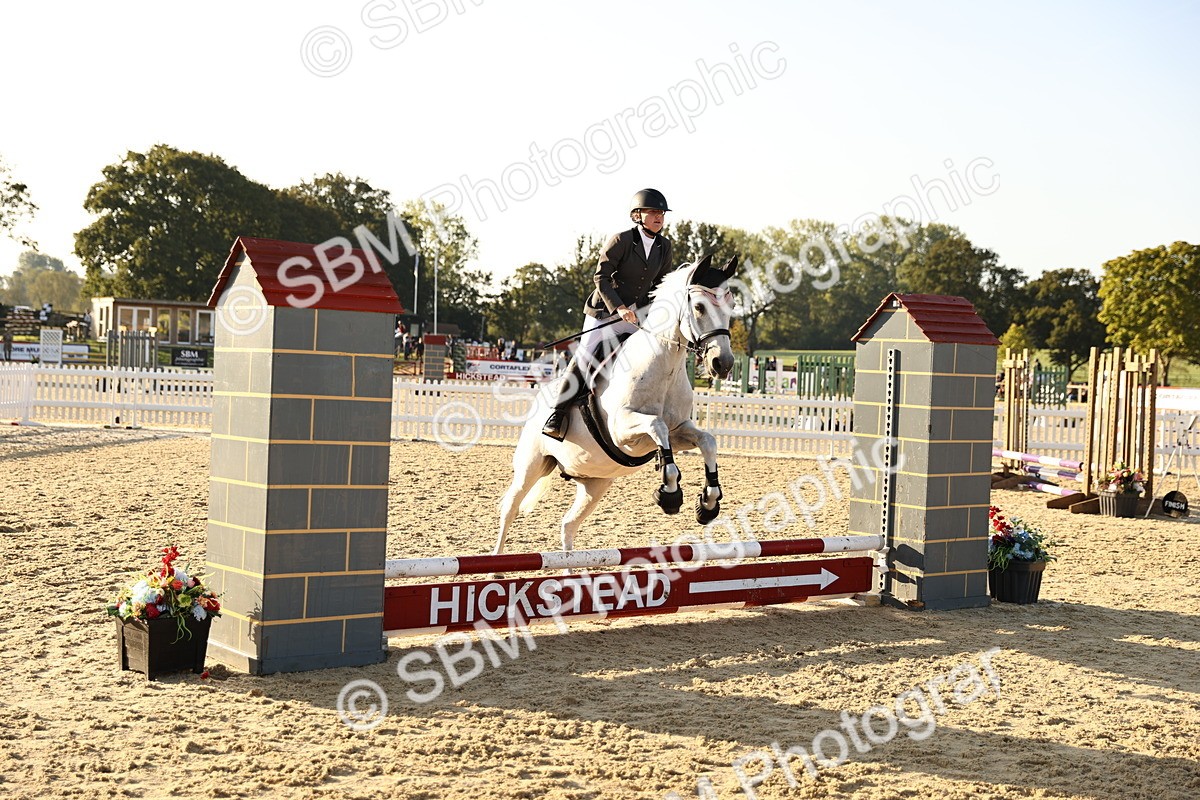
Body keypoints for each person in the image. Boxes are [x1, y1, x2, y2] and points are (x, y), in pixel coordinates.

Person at [542, 187, 674, 440]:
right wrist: (620, 307)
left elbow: (660, 285)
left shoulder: (664, 246)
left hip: (636, 316)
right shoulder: (621, 240)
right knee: (585, 356)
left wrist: (651, 313)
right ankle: (557, 414)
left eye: (662, 213)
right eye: (653, 212)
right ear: (637, 215)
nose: (659, 217)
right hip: (604, 311)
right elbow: (601, 277)